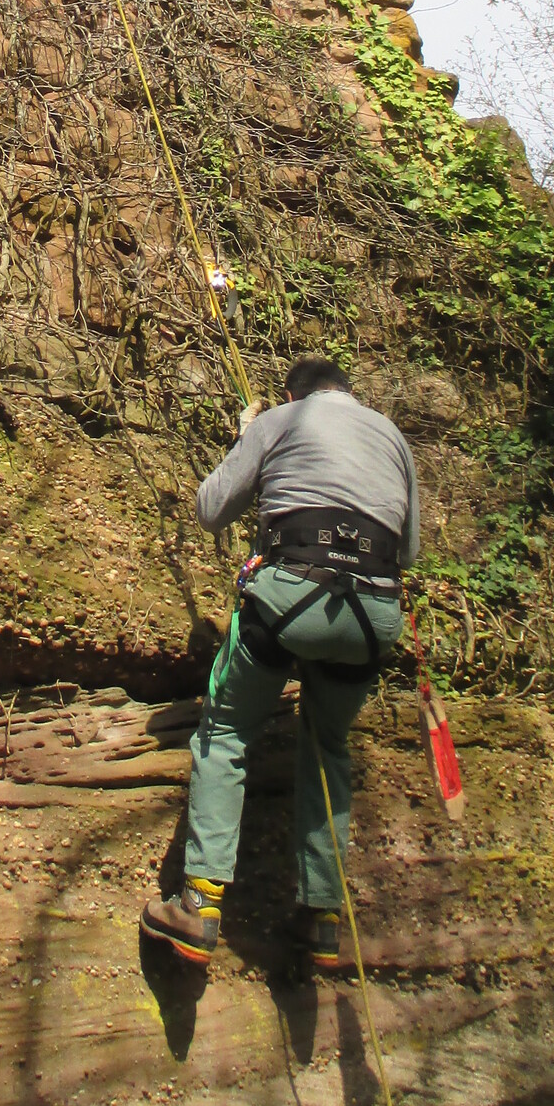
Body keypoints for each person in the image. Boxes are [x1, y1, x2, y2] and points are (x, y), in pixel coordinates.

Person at [140, 354, 418, 973]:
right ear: (347, 392)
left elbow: (211, 508)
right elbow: (409, 551)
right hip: (371, 617)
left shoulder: (281, 419)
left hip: (291, 597)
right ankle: (321, 917)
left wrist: (249, 438)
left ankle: (199, 903)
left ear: (293, 393)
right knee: (328, 746)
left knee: (226, 731)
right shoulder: (392, 437)